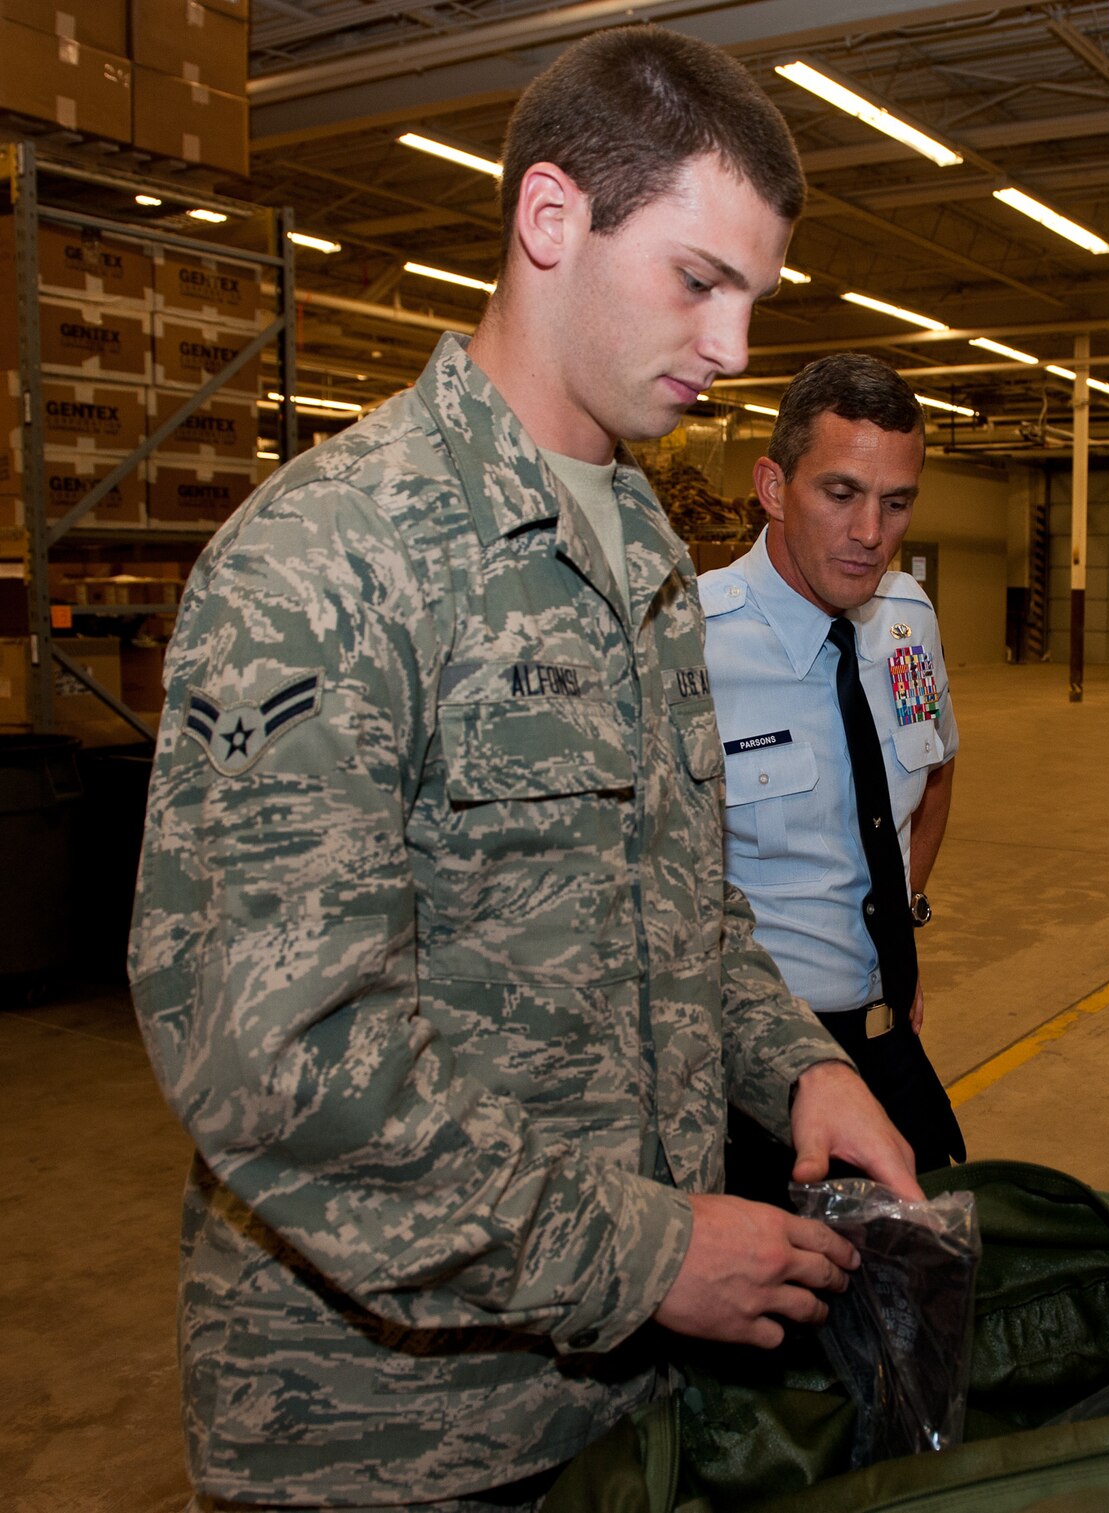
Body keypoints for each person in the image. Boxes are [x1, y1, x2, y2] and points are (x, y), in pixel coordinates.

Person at [128, 28, 918, 1512]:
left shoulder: (642, 561)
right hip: (386, 1433)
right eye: (700, 280)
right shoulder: (326, 562)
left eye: (755, 297)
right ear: (551, 220)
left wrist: (799, 1061)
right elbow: (279, 1061)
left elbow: (681, 908)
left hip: (621, 1401)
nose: (736, 349)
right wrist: (651, 1249)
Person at [702, 352, 965, 1192]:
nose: (871, 535)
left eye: (896, 503)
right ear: (774, 487)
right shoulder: (692, 642)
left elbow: (937, 773)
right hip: (759, 1071)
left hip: (892, 1042)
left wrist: (902, 924)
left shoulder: (906, 619)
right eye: (840, 493)